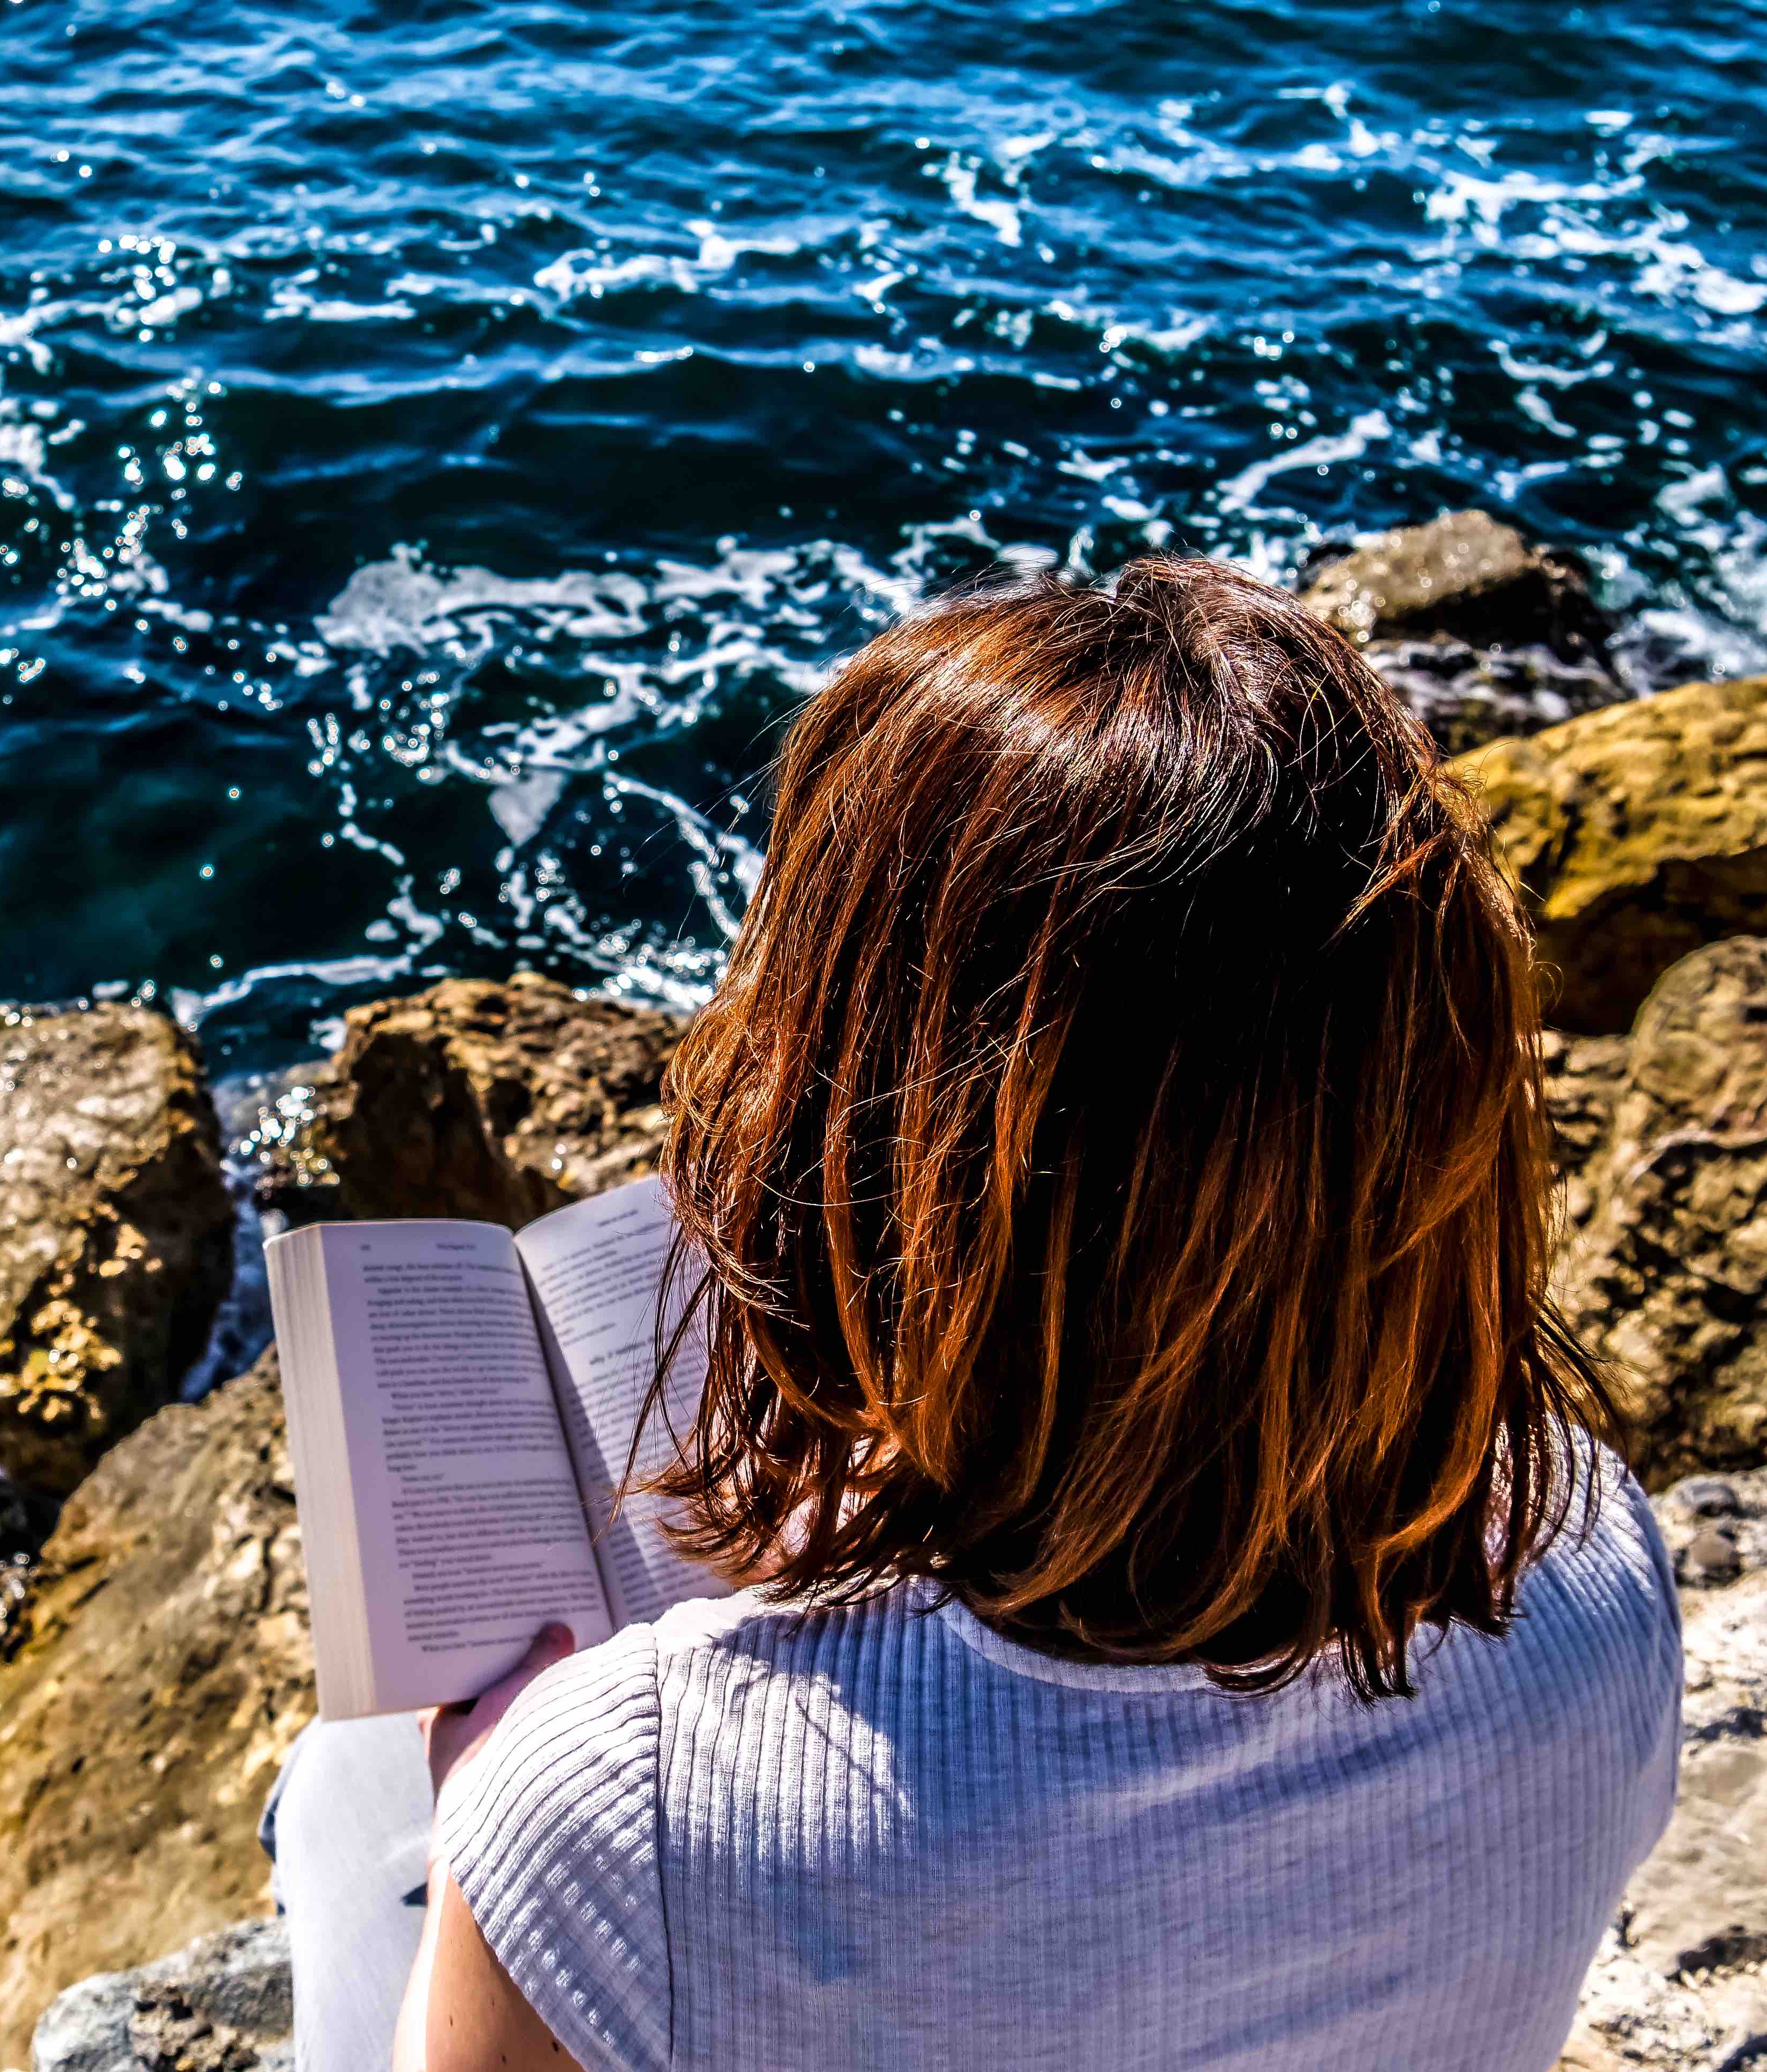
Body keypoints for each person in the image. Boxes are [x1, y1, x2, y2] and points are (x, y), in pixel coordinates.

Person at [262, 556, 1681, 2072]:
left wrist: (488, 1802)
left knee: (350, 1796)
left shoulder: (628, 1804)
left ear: (853, 1147)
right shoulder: (1588, 1570)